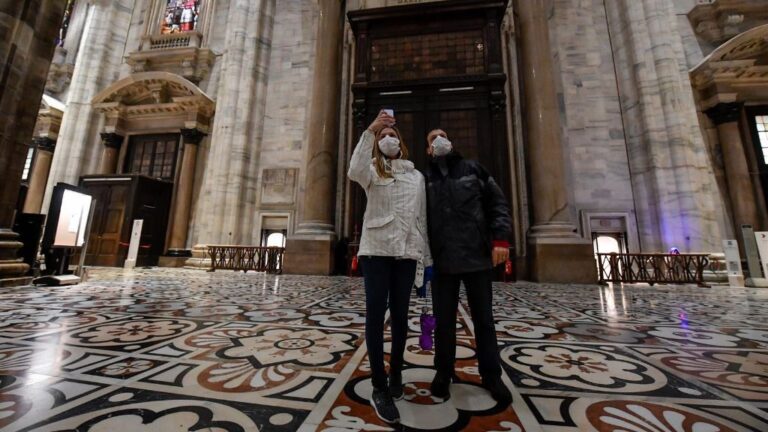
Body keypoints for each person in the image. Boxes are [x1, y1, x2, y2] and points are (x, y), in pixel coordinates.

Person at [348, 110, 432, 424]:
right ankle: (378, 384)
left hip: (407, 253)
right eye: (383, 137)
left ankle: (396, 374)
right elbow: (352, 169)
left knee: (400, 316)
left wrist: (426, 259)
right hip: (376, 251)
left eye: (391, 135)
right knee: (374, 315)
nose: (388, 139)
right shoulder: (370, 169)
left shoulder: (416, 176)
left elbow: (421, 218)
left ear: (401, 143)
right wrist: (371, 129)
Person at [424, 128, 513, 405]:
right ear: (428, 149)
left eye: (442, 135)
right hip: (442, 260)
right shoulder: (423, 178)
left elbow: (497, 203)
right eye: (432, 138)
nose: (438, 139)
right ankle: (443, 372)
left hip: (476, 256)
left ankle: (491, 375)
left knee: (484, 320)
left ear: (451, 141)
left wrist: (500, 239)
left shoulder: (474, 169)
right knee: (443, 322)